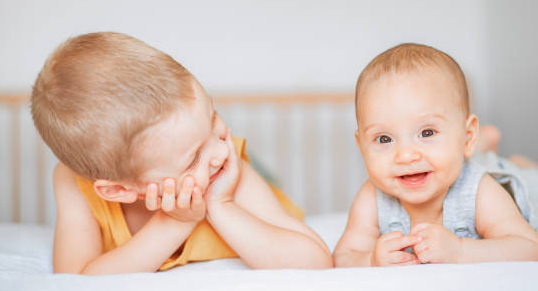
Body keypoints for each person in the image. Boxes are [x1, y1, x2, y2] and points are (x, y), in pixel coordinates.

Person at [31, 32, 332, 274]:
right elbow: (76, 278)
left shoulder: (228, 168)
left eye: (213, 117)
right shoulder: (72, 182)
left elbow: (315, 260)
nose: (218, 153)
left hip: (257, 195)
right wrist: (175, 222)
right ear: (119, 189)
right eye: (192, 157)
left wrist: (221, 205)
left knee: (246, 164)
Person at [334, 43, 538, 267]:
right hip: (461, 157)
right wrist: (370, 260)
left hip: (525, 193)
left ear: (467, 136)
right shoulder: (372, 197)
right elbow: (344, 256)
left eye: (427, 132)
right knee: (467, 159)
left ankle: (521, 165)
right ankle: (484, 148)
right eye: (384, 139)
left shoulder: (479, 190)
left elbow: (528, 247)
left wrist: (459, 250)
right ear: (362, 146)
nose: (405, 156)